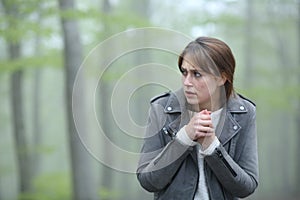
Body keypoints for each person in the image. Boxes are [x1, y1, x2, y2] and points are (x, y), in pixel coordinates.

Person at [136, 36, 259, 200]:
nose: (187, 82)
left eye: (197, 74)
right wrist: (183, 138)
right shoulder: (162, 109)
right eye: (184, 72)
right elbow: (148, 181)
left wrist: (212, 147)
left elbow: (246, 187)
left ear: (222, 78)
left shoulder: (244, 112)